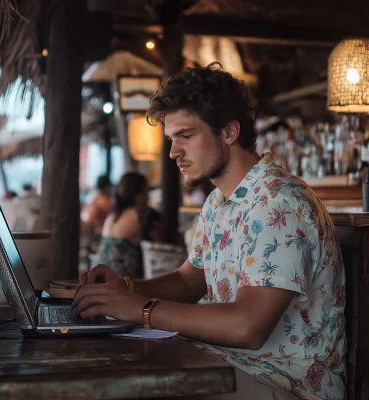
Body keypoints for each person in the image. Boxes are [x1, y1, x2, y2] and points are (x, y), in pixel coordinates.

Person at [72, 63, 346, 400]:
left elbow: (246, 327)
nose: (173, 152)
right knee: (110, 368)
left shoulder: (279, 203)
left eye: (186, 135)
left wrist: (139, 309)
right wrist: (121, 291)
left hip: (283, 384)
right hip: (229, 365)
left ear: (229, 132)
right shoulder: (220, 201)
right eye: (172, 139)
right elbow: (189, 282)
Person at [97, 172, 162, 279]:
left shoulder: (113, 214)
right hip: (120, 280)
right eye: (146, 190)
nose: (148, 195)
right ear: (139, 194)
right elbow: (158, 245)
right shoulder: (141, 214)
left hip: (98, 273)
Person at [81, 175, 113, 252]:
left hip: (86, 235)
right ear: (107, 187)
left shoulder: (91, 198)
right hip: (97, 237)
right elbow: (114, 217)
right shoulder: (104, 202)